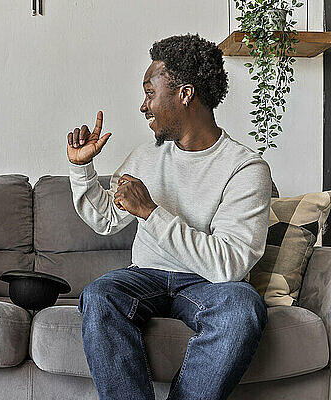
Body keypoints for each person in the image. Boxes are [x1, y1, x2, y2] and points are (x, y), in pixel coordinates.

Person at [67, 34, 271, 400]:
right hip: (145, 277)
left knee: (243, 307)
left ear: (185, 94)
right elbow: (106, 220)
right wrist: (83, 170)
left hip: (206, 284)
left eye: (150, 93)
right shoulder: (145, 157)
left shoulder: (245, 168)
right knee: (99, 294)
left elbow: (229, 264)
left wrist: (151, 213)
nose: (144, 106)